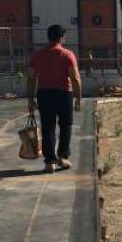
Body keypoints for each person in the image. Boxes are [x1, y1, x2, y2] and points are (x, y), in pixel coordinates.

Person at [27, 24, 82, 173]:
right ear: (62, 37)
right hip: (64, 93)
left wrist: (30, 99)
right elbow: (75, 78)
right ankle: (63, 157)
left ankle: (49, 162)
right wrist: (78, 97)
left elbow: (31, 79)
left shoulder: (37, 55)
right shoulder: (67, 55)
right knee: (65, 125)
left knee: (48, 127)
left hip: (44, 94)